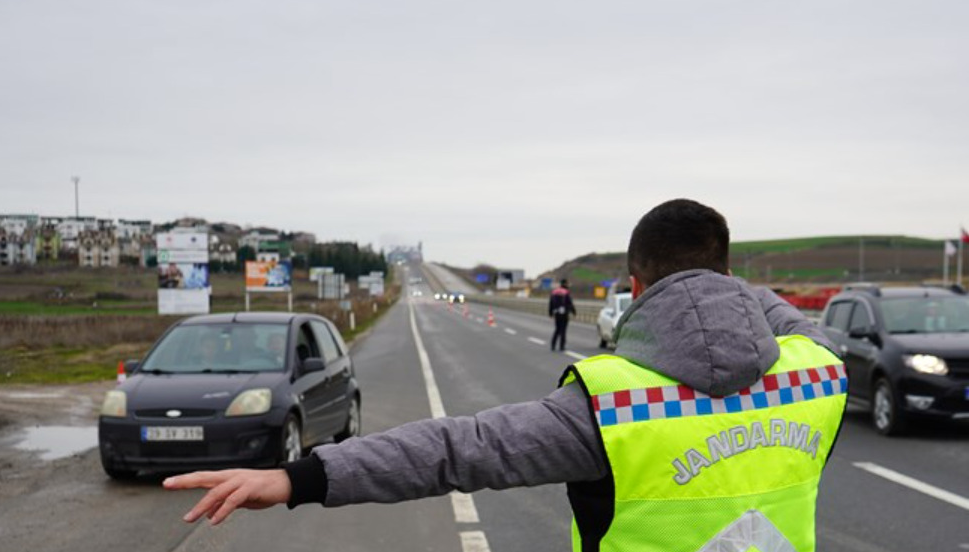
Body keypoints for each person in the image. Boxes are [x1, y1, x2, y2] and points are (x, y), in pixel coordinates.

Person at [164, 199, 846, 552]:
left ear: (633, 288)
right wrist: (725, 290)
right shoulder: (815, 377)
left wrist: (295, 477)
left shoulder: (612, 406)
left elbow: (456, 449)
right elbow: (788, 319)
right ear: (728, 276)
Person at [548, 278, 576, 351]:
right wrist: (574, 312)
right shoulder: (566, 292)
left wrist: (550, 313)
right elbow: (570, 303)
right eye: (567, 283)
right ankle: (562, 346)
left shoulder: (554, 292)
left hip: (556, 313)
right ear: (565, 284)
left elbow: (551, 303)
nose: (568, 285)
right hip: (564, 313)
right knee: (563, 330)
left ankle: (553, 345)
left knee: (557, 329)